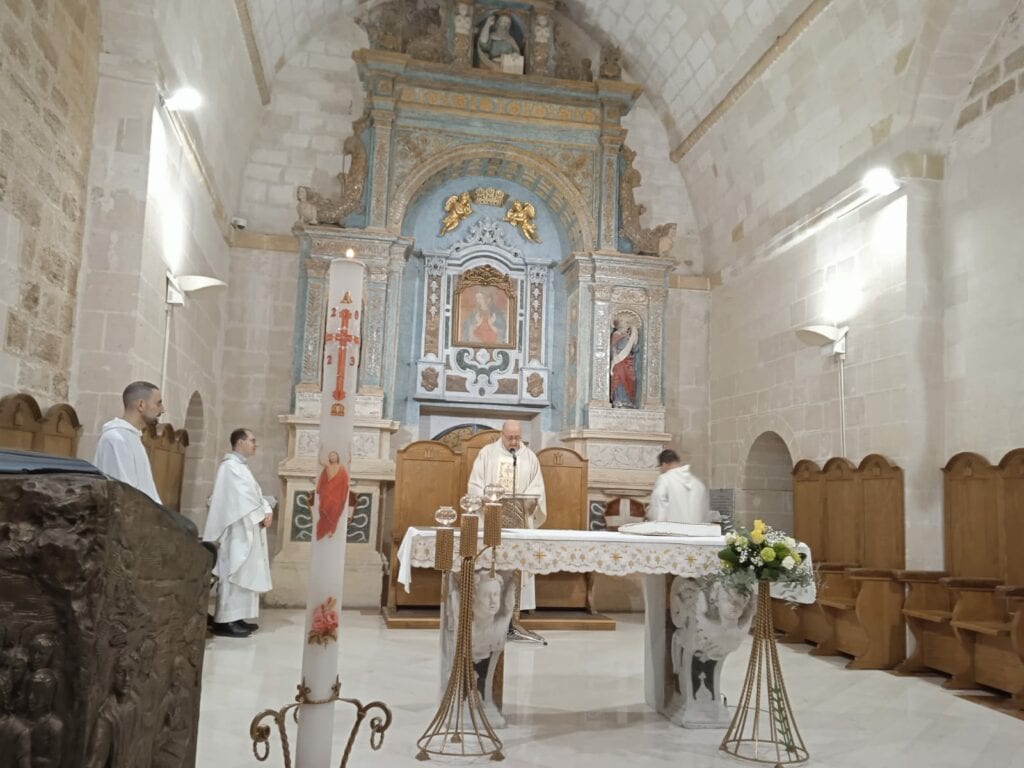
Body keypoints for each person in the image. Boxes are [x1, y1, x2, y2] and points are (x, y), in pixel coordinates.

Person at [467, 421, 546, 642]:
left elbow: (537, 488)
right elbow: (475, 484)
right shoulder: (487, 454)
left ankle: (514, 620)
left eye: (517, 437)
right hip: (491, 521)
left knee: (518, 566)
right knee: (492, 566)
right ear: (502, 434)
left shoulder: (529, 457)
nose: (514, 442)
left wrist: (528, 502)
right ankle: (489, 617)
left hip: (519, 522)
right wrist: (486, 499)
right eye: (510, 437)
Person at [203, 428, 274, 638]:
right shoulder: (229, 467)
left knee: (245, 571)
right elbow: (241, 498)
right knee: (234, 570)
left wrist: (267, 510)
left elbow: (255, 494)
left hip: (248, 526)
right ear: (240, 442)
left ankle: (238, 616)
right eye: (252, 440)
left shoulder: (241, 467)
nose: (255, 444)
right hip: (237, 530)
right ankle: (225, 620)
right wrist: (261, 513)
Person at [93, 380, 164, 504]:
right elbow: (123, 495)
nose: (163, 410)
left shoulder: (132, 437)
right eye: (158, 403)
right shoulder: (116, 439)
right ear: (141, 405)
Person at [647, 449, 712, 524]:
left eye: (660, 467)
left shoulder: (664, 480)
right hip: (696, 530)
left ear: (664, 464)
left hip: (672, 530)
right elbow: (704, 515)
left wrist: (649, 514)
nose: (660, 470)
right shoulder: (698, 484)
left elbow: (659, 511)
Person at [314, 450, 350, 540]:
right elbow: (322, 481)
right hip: (327, 494)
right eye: (330, 456)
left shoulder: (342, 468)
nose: (332, 457)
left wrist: (343, 496)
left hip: (337, 496)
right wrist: (320, 490)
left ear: (337, 457)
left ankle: (331, 530)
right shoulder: (327, 467)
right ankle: (323, 531)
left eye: (334, 455)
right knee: (324, 512)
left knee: (335, 513)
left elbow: (345, 483)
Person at [609, 317, 639, 408]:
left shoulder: (627, 336)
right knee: (619, 379)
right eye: (625, 323)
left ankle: (627, 400)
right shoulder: (616, 334)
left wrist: (634, 336)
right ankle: (618, 400)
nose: (627, 326)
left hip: (628, 361)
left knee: (629, 378)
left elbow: (634, 349)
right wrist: (615, 357)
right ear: (620, 325)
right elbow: (613, 348)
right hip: (619, 360)